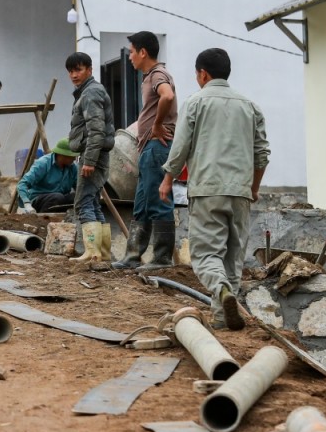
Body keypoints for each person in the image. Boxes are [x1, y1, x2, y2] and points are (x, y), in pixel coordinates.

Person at [160, 48, 269, 331]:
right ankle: (222, 318)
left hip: (208, 190)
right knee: (233, 257)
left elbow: (180, 145)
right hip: (240, 192)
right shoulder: (250, 106)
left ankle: (220, 291)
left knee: (207, 254)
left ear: (202, 74)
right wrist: (254, 188)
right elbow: (262, 154)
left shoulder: (196, 103)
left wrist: (168, 179)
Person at [114, 31, 178, 270]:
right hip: (147, 149)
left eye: (131, 52)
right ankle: (132, 255)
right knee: (142, 203)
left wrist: (158, 124)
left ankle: (162, 257)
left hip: (156, 148)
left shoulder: (158, 75)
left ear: (143, 52)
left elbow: (167, 96)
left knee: (158, 200)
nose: (130, 57)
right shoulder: (150, 76)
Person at [67, 52, 114, 262]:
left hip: (93, 154)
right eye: (71, 71)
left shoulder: (90, 94)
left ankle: (92, 253)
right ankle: (101, 253)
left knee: (83, 201)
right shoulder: (90, 91)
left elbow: (96, 130)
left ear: (89, 70)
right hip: (96, 153)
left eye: (78, 69)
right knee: (93, 201)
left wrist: (89, 161)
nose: (74, 75)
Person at [16, 138, 79, 212]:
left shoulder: (73, 168)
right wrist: (27, 204)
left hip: (60, 201)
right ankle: (43, 219)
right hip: (40, 201)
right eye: (71, 156)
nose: (74, 158)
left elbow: (79, 188)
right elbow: (22, 184)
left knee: (77, 197)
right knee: (57, 197)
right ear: (61, 155)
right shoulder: (43, 164)